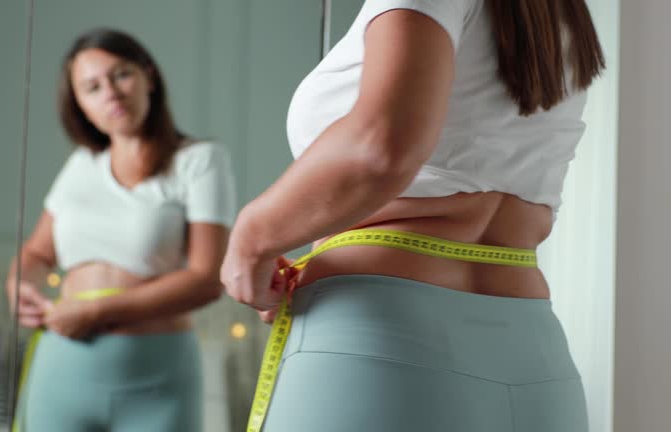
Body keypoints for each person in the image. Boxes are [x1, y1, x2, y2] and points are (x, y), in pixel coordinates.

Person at [221, 1, 604, 431]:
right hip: (535, 357)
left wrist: (252, 236)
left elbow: (381, 148)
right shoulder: (555, 10)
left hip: (380, 343)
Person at [5, 28, 236, 432]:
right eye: (91, 87)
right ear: (80, 105)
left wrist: (96, 312)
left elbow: (205, 280)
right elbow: (38, 254)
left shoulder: (200, 161)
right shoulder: (81, 165)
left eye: (121, 74)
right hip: (61, 373)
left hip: (159, 380)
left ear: (149, 75)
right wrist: (18, 283)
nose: (110, 92)